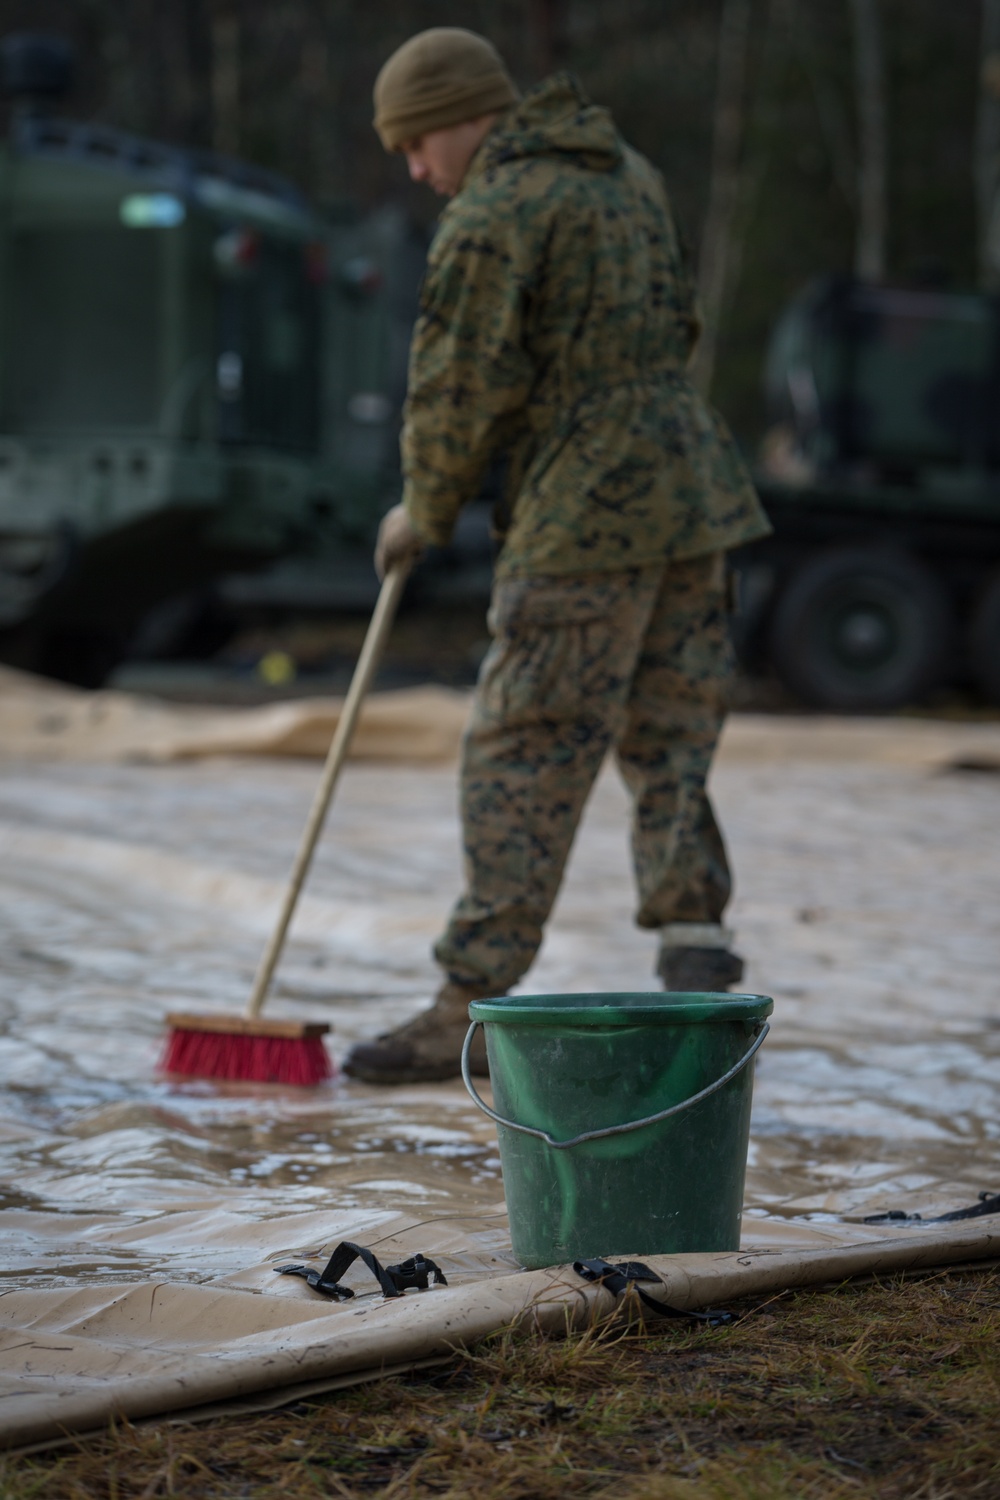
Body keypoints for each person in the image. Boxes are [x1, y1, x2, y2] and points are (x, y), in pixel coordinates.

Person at [343, 27, 771, 1086]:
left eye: (413, 144)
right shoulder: (632, 174)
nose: (414, 171)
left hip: (585, 512)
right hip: (695, 492)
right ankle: (692, 948)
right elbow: (681, 321)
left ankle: (461, 1009)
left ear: (458, 117)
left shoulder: (495, 212)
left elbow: (460, 382)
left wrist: (423, 508)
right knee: (669, 734)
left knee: (521, 753)